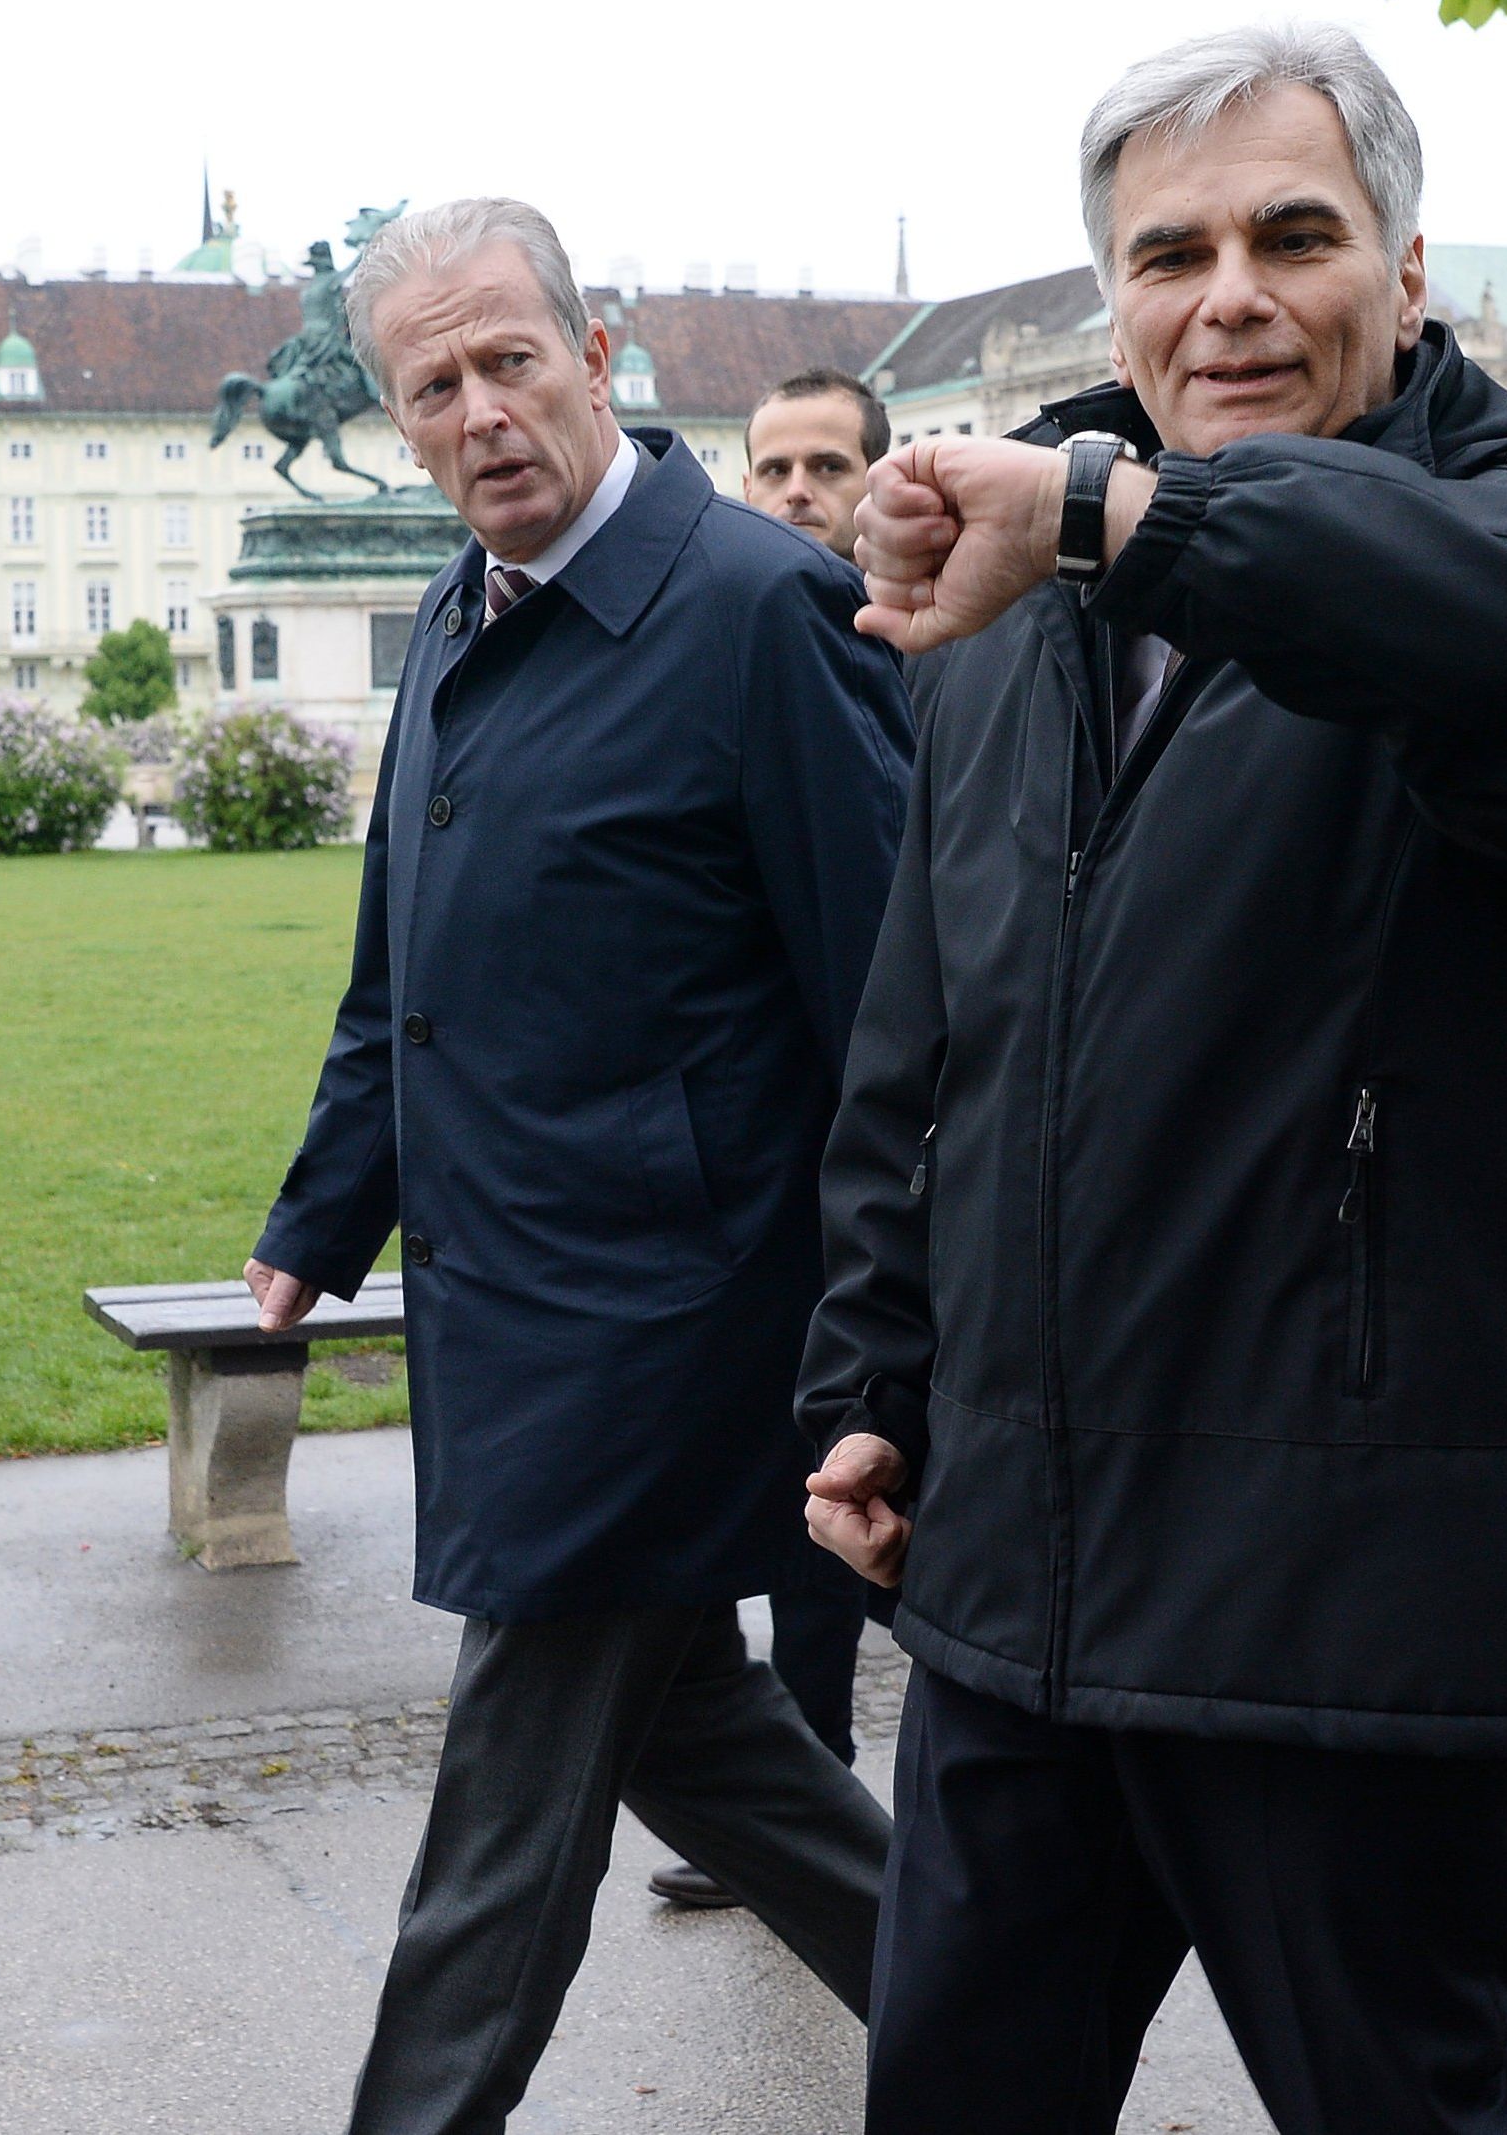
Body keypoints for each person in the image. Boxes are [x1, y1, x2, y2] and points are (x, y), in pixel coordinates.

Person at [796, 23, 1507, 2134]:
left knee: (1408, 2103)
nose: (1225, 294)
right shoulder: (1010, 607)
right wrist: (870, 1382)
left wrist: (1131, 519)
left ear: (1406, 281)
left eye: (1291, 237)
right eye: (1169, 251)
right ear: (1111, 298)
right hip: (1021, 1573)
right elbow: (922, 1053)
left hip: (1337, 1580)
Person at [245, 196, 915, 2135]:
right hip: (501, 1299)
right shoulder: (460, 618)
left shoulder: (749, 609)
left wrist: (891, 1334)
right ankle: (1007, 2040)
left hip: (669, 1329)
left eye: (507, 363)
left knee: (504, 1812)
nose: (476, 416)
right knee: (706, 1746)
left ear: (596, 358)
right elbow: (404, 981)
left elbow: (892, 1004)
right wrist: (312, 1225)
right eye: (428, 388)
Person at [625, 363, 905, 1921]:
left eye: (826, 467)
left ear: (876, 479)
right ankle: (805, 1795)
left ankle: (837, 1818)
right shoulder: (741, 630)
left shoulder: (915, 634)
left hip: (871, 1162)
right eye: (774, 467)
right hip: (759, 1170)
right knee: (799, 1500)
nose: (798, 490)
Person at [744, 367, 890, 558]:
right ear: (748, 492)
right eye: (776, 471)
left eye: (829, 468)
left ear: (880, 485)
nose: (796, 491)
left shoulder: (932, 586)